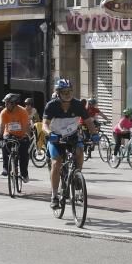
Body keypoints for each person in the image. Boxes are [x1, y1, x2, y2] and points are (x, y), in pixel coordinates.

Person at [43, 78, 97, 209]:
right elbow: (45, 124)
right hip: (56, 138)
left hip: (72, 136)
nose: (67, 94)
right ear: (58, 93)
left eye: (69, 91)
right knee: (56, 164)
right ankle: (54, 196)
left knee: (79, 151)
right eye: (64, 92)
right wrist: (50, 134)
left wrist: (95, 134)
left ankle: (77, 176)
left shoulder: (78, 105)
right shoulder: (51, 105)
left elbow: (89, 121)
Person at [0, 93, 31, 182]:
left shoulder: (22, 111)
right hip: (9, 133)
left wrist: (23, 136)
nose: (5, 105)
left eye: (7, 103)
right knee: (5, 145)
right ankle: (5, 167)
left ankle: (24, 173)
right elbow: (1, 125)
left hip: (21, 134)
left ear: (14, 103)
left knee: (23, 154)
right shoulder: (4, 112)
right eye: (5, 103)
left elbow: (25, 126)